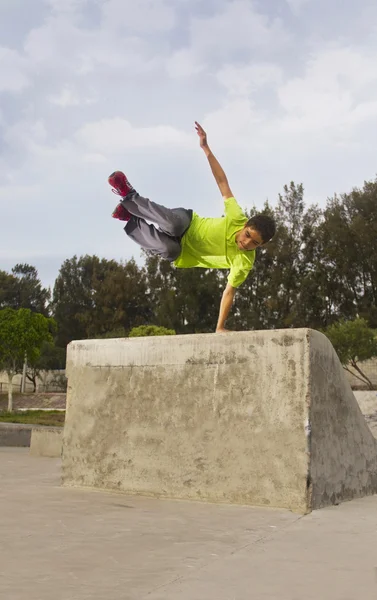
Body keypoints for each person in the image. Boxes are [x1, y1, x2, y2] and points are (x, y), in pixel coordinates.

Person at [108, 121, 276, 333]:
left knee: (170, 250)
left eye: (254, 243)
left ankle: (130, 218)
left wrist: (220, 327)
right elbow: (223, 183)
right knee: (173, 224)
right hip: (187, 223)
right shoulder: (236, 216)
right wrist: (206, 148)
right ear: (245, 225)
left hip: (184, 253)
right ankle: (129, 196)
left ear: (260, 246)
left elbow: (229, 291)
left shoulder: (244, 263)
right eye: (248, 235)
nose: (246, 243)